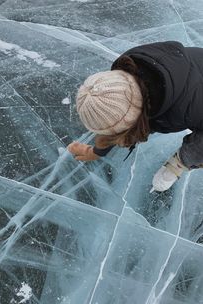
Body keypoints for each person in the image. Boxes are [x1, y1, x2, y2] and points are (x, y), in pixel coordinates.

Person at [67, 41, 203, 192]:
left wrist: (181, 162)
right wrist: (97, 151)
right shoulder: (128, 75)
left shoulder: (186, 108)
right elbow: (115, 114)